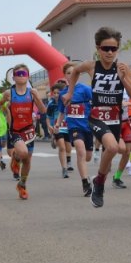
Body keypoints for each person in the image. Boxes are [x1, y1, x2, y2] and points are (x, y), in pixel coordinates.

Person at [62, 27, 131, 209]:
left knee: (119, 149)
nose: (109, 52)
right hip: (97, 116)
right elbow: (74, 71)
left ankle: (99, 180)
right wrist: (69, 92)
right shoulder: (91, 66)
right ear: (98, 48)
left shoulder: (123, 68)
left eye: (113, 49)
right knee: (113, 147)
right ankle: (99, 184)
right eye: (106, 48)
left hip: (115, 119)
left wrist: (123, 79)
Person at [0, 64, 47, 200]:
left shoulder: (32, 92)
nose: (21, 76)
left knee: (27, 161)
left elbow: (43, 110)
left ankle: (22, 185)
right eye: (18, 74)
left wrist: (37, 98)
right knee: (23, 152)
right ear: (14, 77)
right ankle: (16, 158)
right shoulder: (9, 93)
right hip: (15, 130)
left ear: (27, 76)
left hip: (29, 130)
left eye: (24, 73)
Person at [54, 62, 93, 197]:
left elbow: (95, 104)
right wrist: (58, 124)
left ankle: (87, 177)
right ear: (65, 75)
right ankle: (85, 183)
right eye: (68, 73)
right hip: (74, 126)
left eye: (74, 72)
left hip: (87, 126)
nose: (71, 75)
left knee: (88, 157)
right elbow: (61, 111)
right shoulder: (63, 93)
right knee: (80, 149)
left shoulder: (85, 89)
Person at [46, 82, 70, 178]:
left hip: (68, 127)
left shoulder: (68, 101)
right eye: (54, 93)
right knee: (62, 148)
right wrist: (49, 126)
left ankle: (68, 161)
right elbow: (48, 117)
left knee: (68, 148)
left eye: (58, 93)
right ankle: (64, 169)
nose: (56, 95)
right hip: (57, 127)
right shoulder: (51, 103)